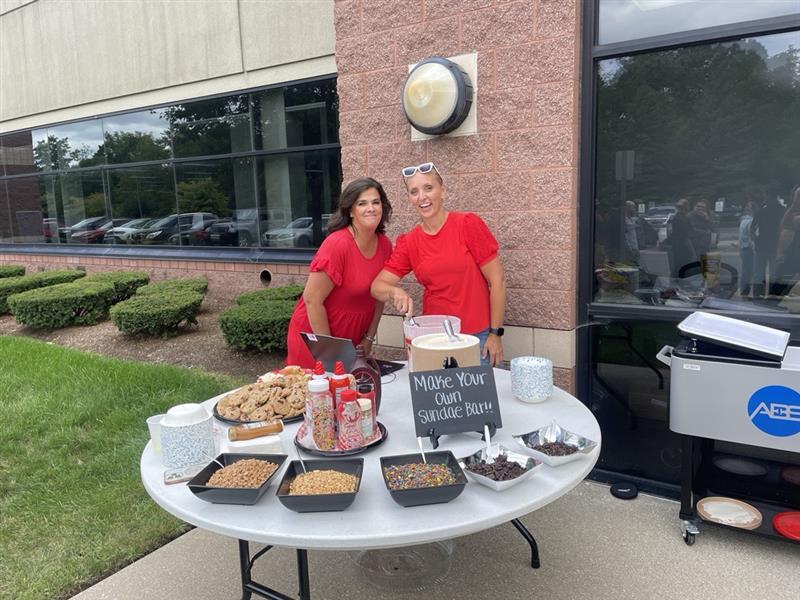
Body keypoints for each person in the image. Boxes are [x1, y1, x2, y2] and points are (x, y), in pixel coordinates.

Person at [370, 162, 507, 367]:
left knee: (482, 389)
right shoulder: (409, 242)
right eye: (414, 192)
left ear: (442, 191)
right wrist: (394, 292)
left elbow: (498, 281)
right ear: (409, 198)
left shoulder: (467, 224)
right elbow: (377, 287)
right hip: (434, 341)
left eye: (428, 188)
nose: (422, 197)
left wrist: (495, 334)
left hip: (477, 338)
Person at [285, 177, 393, 368]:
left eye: (376, 202)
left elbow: (380, 296)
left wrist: (369, 338)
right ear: (350, 210)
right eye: (362, 203)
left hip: (351, 339)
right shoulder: (337, 245)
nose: (371, 208)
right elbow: (312, 300)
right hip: (317, 338)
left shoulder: (385, 245)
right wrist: (329, 351)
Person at [751, 194, 785, 298]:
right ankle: (773, 295)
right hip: (775, 246)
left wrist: (755, 239)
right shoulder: (782, 211)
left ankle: (758, 294)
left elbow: (752, 228)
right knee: (774, 273)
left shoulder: (761, 212)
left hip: (761, 245)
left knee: (758, 273)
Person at [665, 198, 696, 278]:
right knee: (682, 266)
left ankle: (676, 281)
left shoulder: (677, 218)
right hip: (682, 246)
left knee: (678, 266)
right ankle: (679, 282)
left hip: (678, 245)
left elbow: (674, 233)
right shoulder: (683, 218)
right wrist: (691, 250)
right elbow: (684, 235)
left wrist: (666, 241)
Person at [737, 201, 755, 297]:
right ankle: (745, 290)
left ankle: (743, 290)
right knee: (749, 271)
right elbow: (751, 236)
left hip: (743, 248)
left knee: (745, 270)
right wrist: (754, 247)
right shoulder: (751, 221)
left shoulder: (743, 220)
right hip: (748, 248)